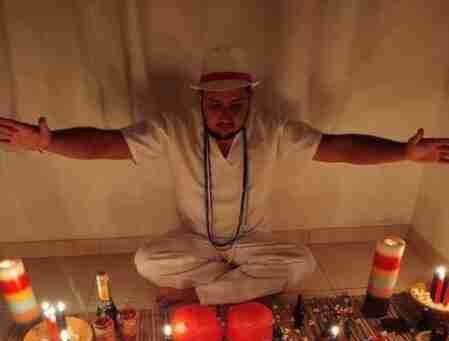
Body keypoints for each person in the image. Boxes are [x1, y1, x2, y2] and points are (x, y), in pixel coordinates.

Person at [1, 47, 448, 306]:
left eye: (236, 105)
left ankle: (199, 295)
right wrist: (46, 142)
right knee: (146, 261)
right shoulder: (173, 128)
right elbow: (105, 143)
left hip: (251, 239)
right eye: (215, 104)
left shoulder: (273, 129)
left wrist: (404, 153)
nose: (226, 114)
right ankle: (240, 285)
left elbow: (339, 147)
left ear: (250, 101)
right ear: (200, 102)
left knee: (304, 263)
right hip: (196, 240)